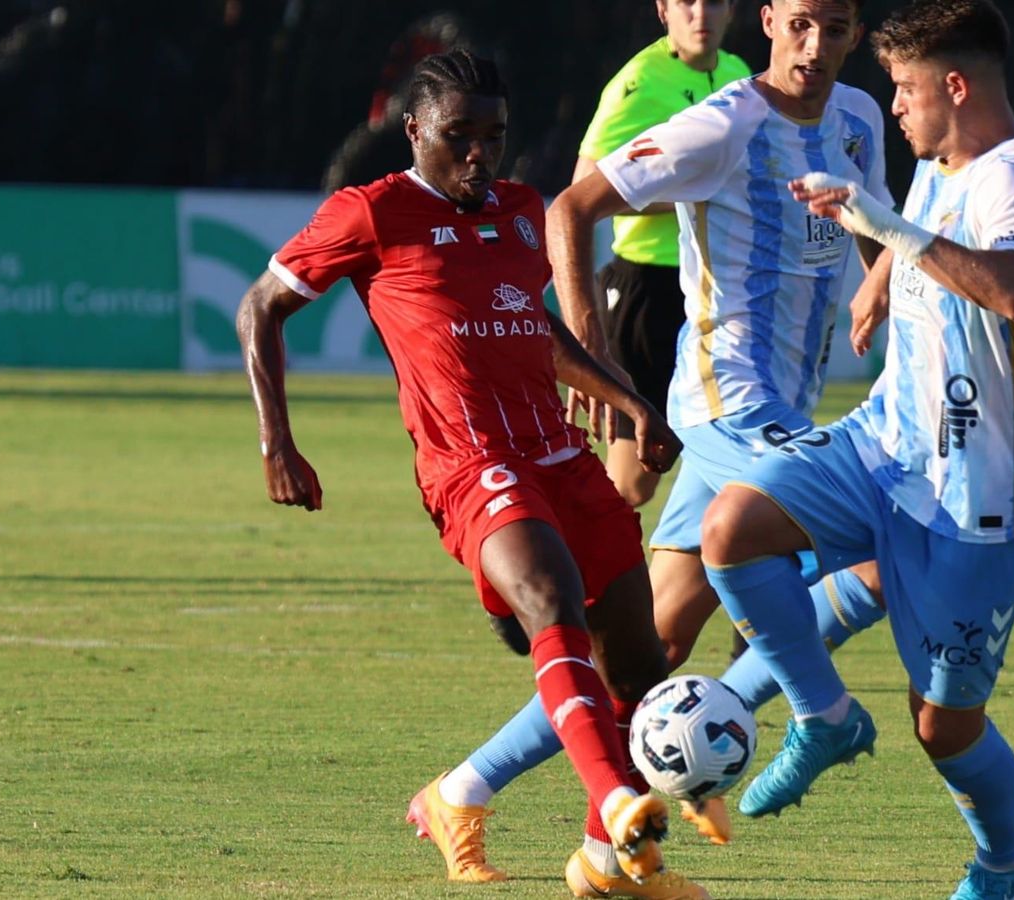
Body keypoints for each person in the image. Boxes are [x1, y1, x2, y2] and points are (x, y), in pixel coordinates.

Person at [440, 1, 892, 892]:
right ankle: (818, 713)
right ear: (768, 20)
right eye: (800, 22)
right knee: (890, 538)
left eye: (836, 28)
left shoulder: (858, 120)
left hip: (779, 408)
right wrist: (591, 354)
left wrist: (879, 277)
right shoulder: (722, 124)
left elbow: (873, 223)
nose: (816, 46)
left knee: (652, 646)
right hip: (730, 409)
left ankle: (484, 798)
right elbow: (572, 207)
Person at [233, 49, 703, 895]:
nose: (483, 153)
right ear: (415, 131)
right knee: (552, 604)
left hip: (561, 453)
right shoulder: (372, 213)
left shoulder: (522, 210)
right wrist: (278, 442)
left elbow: (534, 328)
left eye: (496, 136)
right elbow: (259, 306)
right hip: (470, 464)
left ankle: (607, 866)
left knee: (637, 660)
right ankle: (624, 809)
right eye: (462, 136)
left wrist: (628, 402)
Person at [699, 2, 1014, 897]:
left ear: (957, 86)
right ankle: (822, 715)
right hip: (883, 446)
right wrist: (879, 281)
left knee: (942, 727)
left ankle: (1006, 866)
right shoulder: (937, 162)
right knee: (732, 531)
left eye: (904, 89)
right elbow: (919, 246)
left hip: (978, 498)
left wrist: (888, 233)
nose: (893, 107)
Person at [574, 0, 750, 510]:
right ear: (663, 11)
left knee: (730, 461)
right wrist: (696, 192)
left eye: (714, 2)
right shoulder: (638, 83)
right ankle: (581, 577)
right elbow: (583, 191)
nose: (701, 14)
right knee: (633, 482)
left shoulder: (738, 74)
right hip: (646, 293)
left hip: (714, 295)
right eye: (686, 2)